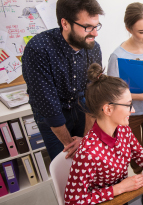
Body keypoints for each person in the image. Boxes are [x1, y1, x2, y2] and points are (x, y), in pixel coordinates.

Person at [64, 63, 143, 205]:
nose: (132, 111)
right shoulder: (88, 152)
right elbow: (72, 200)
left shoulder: (123, 130)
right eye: (128, 105)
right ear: (108, 109)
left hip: (125, 197)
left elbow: (142, 157)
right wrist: (117, 189)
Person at [22, 0, 104, 160]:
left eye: (97, 26)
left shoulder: (94, 47)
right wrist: (70, 145)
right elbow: (48, 105)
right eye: (88, 27)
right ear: (65, 24)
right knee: (66, 161)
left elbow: (93, 94)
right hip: (52, 112)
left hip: (82, 106)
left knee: (89, 157)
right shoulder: (38, 49)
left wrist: (85, 140)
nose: (95, 34)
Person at [108, 2, 143, 174]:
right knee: (137, 160)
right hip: (130, 115)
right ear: (128, 29)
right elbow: (112, 95)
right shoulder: (117, 56)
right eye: (141, 31)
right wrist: (142, 96)